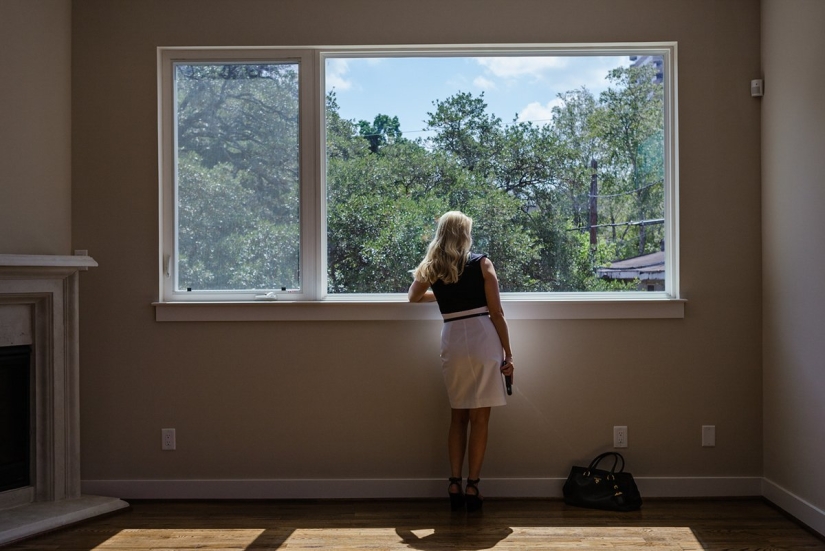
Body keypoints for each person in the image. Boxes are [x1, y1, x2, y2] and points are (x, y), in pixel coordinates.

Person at [408, 211, 515, 512]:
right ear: (464, 234)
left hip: (452, 337)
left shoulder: (432, 266)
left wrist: (441, 295)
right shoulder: (482, 263)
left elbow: (413, 297)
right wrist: (509, 354)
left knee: (458, 416)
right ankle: (473, 487)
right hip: (482, 336)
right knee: (480, 419)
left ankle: (453, 482)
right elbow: (497, 314)